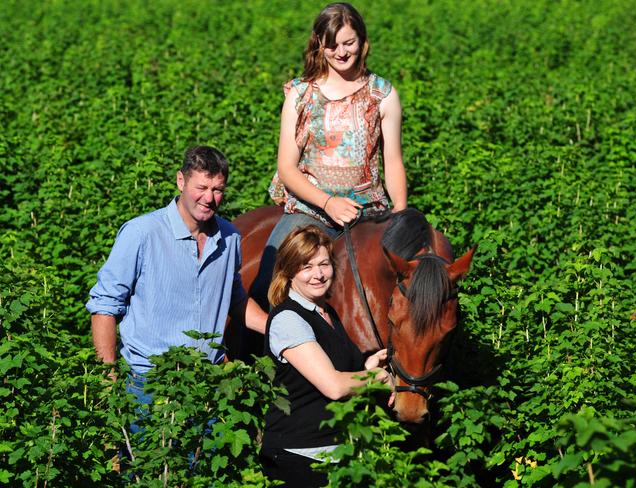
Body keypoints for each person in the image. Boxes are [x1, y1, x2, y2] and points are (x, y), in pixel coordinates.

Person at [252, 2, 408, 311]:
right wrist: (328, 203)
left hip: (369, 209)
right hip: (310, 210)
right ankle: (265, 350)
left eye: (348, 43)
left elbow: (393, 162)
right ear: (319, 44)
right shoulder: (301, 94)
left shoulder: (383, 94)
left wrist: (401, 214)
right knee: (268, 275)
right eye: (331, 44)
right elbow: (286, 167)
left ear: (362, 42)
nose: (340, 52)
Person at [86, 145, 267, 404]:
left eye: (217, 190)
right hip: (149, 386)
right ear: (181, 180)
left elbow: (234, 298)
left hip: (209, 385)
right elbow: (104, 306)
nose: (209, 198)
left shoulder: (229, 237)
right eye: (201, 188)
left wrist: (278, 328)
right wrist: (107, 381)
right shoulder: (142, 233)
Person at [260, 225, 394, 487]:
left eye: (324, 264)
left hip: (336, 454)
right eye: (306, 266)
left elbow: (330, 368)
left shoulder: (326, 313)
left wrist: (368, 364)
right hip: (300, 456)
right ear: (288, 272)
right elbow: (333, 386)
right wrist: (377, 377)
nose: (318, 275)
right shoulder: (288, 319)